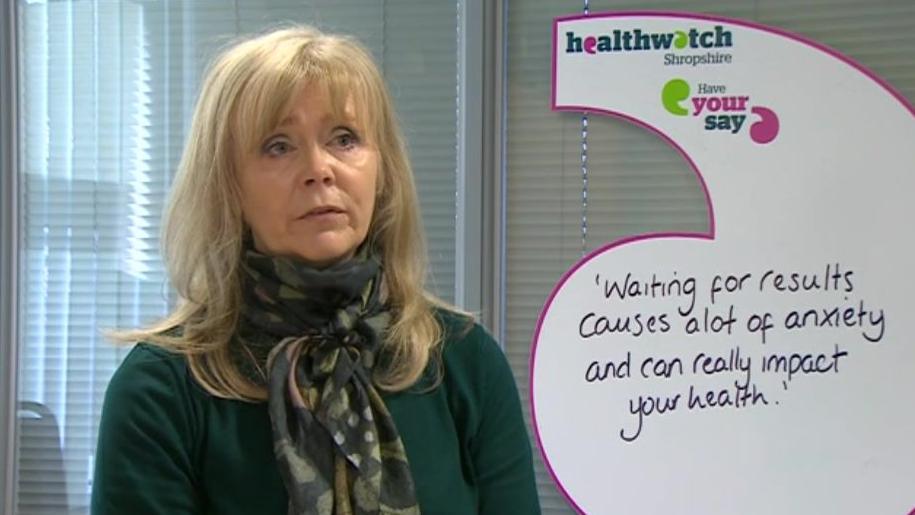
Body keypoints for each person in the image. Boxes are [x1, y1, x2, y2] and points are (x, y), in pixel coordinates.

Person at [90, 25, 541, 515]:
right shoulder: (161, 389)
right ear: (227, 186)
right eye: (278, 146)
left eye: (344, 139)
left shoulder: (462, 361)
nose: (319, 168)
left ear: (382, 171)